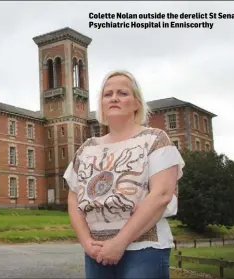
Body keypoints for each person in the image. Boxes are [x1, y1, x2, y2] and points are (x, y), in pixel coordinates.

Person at [63, 70, 185, 279]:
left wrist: (119, 243)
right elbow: (74, 197)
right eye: (107, 94)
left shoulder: (155, 139)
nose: (114, 98)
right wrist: (86, 242)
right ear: (101, 104)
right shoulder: (87, 148)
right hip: (96, 252)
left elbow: (162, 194)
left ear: (137, 103)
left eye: (122, 93)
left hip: (145, 249)